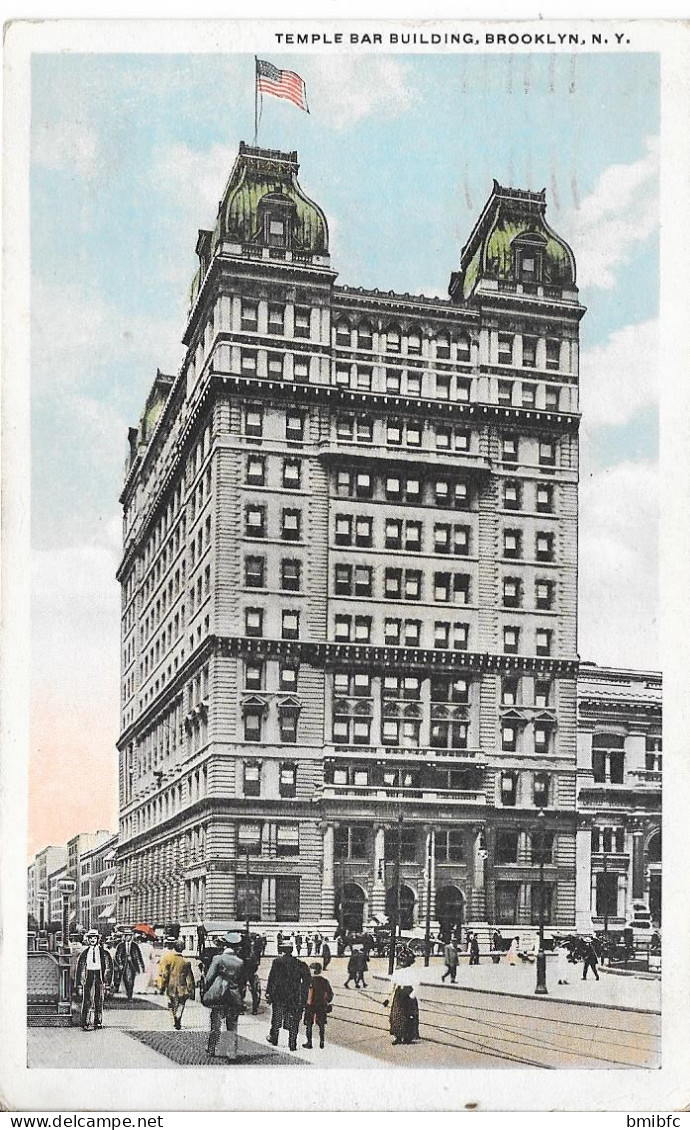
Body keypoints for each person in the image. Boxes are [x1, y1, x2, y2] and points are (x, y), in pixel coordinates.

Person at [203, 933, 245, 1060]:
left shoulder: (218, 959)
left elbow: (209, 977)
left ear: (225, 945)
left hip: (219, 995)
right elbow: (242, 982)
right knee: (232, 1025)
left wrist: (208, 989)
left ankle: (211, 1048)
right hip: (233, 996)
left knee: (215, 1024)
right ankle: (231, 1053)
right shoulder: (240, 962)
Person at [265, 942, 312, 1051]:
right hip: (293, 995)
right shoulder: (299, 963)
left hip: (279, 994)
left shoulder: (277, 962)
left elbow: (272, 978)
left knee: (276, 1017)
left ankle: (274, 1038)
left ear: (282, 950)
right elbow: (307, 980)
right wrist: (302, 993)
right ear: (292, 950)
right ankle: (292, 1043)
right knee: (293, 1019)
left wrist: (269, 993)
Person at [75, 929, 113, 1030]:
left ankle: (98, 1021)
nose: (92, 939)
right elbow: (80, 968)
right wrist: (79, 984)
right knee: (87, 999)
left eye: (94, 938)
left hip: (99, 974)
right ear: (88, 939)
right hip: (88, 975)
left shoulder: (104, 953)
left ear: (98, 939)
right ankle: (85, 1022)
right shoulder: (84, 953)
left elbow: (109, 968)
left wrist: (107, 983)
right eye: (90, 938)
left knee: (99, 999)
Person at [158, 939, 196, 1029]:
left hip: (171, 985)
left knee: (172, 1002)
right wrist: (191, 989)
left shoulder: (169, 959)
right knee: (181, 1003)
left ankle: (174, 1017)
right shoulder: (185, 961)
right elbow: (189, 977)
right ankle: (178, 1017)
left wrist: (163, 985)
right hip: (182, 985)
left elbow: (165, 974)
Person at [303, 962, 333, 1049]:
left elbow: (304, 993)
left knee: (309, 1024)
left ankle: (309, 1042)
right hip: (321, 1005)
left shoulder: (308, 981)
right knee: (321, 1024)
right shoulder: (324, 981)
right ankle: (321, 1042)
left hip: (310, 1005)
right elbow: (330, 994)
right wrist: (326, 1001)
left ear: (313, 970)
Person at [113, 928, 145, 999]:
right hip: (123, 965)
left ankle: (130, 993)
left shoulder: (135, 945)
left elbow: (139, 956)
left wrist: (142, 965)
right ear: (124, 936)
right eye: (126, 935)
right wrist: (120, 964)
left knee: (131, 979)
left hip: (132, 965)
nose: (128, 937)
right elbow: (117, 956)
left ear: (131, 937)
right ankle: (127, 991)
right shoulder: (120, 945)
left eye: (129, 936)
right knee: (125, 979)